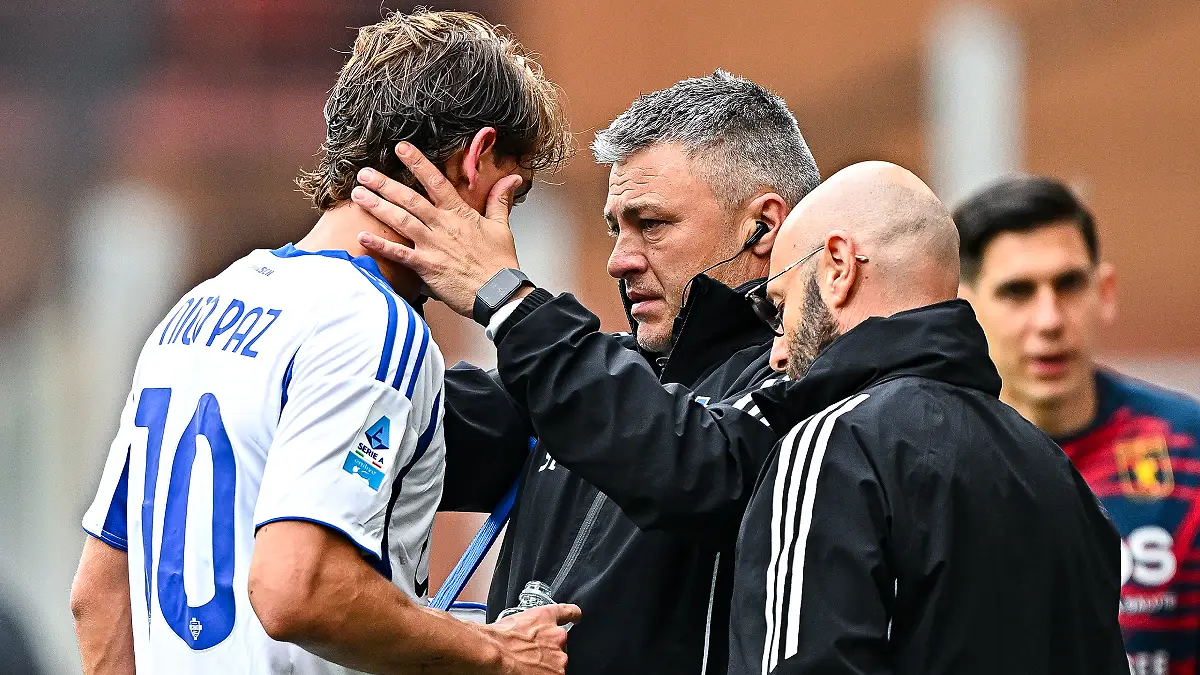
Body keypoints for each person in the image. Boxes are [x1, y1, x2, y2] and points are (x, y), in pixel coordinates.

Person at [69, 10, 578, 675]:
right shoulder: (374, 324)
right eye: (515, 194)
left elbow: (98, 594)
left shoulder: (198, 307)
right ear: (475, 161)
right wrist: (495, 650)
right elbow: (297, 590)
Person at [351, 71, 821, 673]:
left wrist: (507, 300)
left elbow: (694, 465)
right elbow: (407, 421)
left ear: (764, 227)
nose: (619, 260)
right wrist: (328, 318)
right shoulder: (585, 379)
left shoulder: (806, 386)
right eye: (615, 228)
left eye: (651, 224)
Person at [726, 162, 1127, 675]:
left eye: (779, 310)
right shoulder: (1055, 470)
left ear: (838, 267)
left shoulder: (831, 448)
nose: (777, 353)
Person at [955, 175, 1200, 675]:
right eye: (1017, 292)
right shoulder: (932, 463)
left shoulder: (1188, 448)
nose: (1049, 320)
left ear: (1104, 292)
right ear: (965, 310)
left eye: (1068, 285)